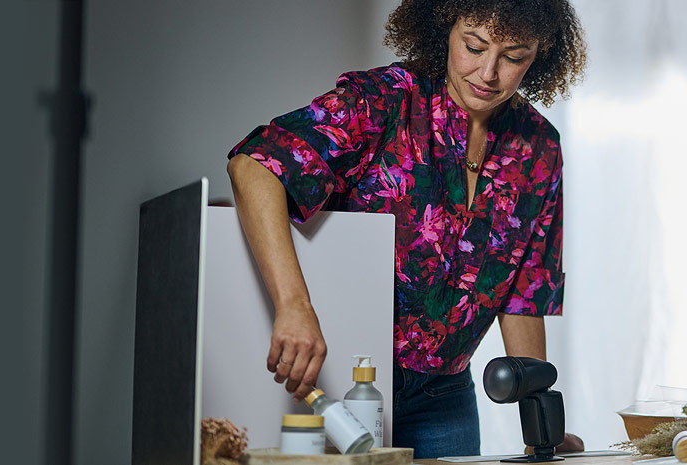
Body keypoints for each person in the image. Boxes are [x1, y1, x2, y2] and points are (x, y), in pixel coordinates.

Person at [225, 0, 586, 458]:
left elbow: (522, 292)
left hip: (446, 397)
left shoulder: (540, 146)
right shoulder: (384, 99)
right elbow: (254, 165)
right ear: (444, 29)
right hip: (346, 379)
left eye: (514, 57)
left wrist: (541, 423)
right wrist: (293, 306)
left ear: (541, 56)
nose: (488, 72)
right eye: (474, 46)